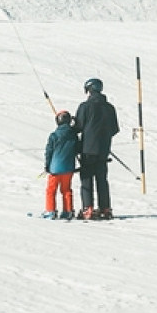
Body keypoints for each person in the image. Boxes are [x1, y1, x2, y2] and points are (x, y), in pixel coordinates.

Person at [74, 78, 119, 220]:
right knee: (102, 179)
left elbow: (79, 126)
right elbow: (114, 129)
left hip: (88, 149)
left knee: (86, 179)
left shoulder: (85, 106)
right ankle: (105, 208)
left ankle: (88, 208)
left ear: (89, 90)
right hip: (104, 149)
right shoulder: (110, 108)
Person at [43, 111, 80, 220]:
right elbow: (77, 149)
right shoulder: (73, 135)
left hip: (55, 168)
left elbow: (49, 151)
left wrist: (47, 165)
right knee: (66, 190)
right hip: (68, 167)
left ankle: (50, 210)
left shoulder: (54, 135)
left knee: (51, 190)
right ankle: (68, 210)